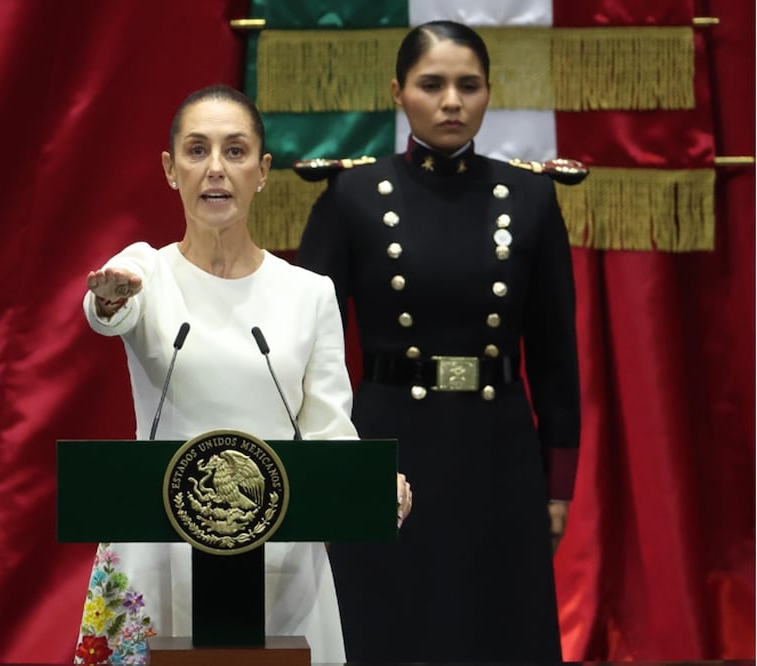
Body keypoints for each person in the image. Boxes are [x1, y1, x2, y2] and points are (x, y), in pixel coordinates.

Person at [76, 84, 412, 665]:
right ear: (170, 169)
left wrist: (369, 483)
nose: (215, 168)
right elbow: (109, 308)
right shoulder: (145, 271)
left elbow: (329, 431)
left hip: (279, 559)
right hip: (157, 549)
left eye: (234, 151)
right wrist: (108, 299)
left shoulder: (308, 294)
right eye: (196, 150)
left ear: (262, 171)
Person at [296, 20, 581, 663]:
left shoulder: (530, 197)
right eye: (432, 84)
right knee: (388, 628)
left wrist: (557, 485)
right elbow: (308, 351)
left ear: (489, 92)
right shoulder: (352, 196)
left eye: (468, 85)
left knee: (499, 631)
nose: (451, 101)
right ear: (397, 92)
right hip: (387, 448)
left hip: (498, 447)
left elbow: (556, 358)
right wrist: (324, 469)